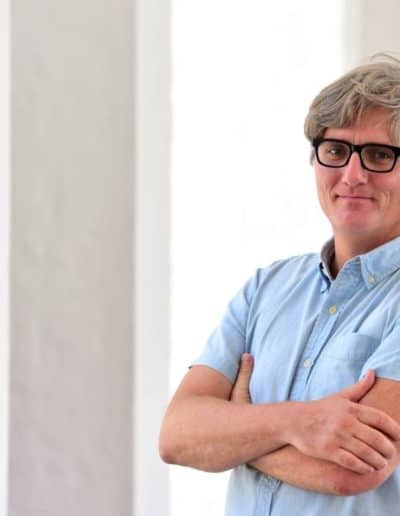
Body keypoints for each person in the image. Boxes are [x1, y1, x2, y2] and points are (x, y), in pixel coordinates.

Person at [159, 55, 400, 516]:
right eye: (335, 151)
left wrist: (236, 433)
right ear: (314, 159)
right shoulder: (266, 288)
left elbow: (351, 473)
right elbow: (175, 436)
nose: (352, 175)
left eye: (379, 155)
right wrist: (301, 423)